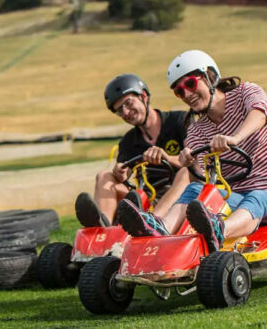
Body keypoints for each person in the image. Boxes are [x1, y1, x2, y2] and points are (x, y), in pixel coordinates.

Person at [117, 50, 267, 252]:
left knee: (258, 198)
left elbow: (259, 115)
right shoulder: (197, 129)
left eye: (190, 84)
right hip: (241, 196)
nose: (187, 95)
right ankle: (159, 229)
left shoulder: (246, 93)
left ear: (211, 76)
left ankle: (219, 230)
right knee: (194, 190)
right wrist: (189, 163)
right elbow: (200, 177)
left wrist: (235, 138)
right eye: (179, 92)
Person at [75, 73, 189, 227]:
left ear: (143, 96)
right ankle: (103, 229)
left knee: (186, 172)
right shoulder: (128, 141)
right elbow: (124, 175)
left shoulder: (179, 121)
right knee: (104, 176)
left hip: (184, 192)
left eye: (128, 103)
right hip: (150, 197)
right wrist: (120, 173)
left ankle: (151, 222)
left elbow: (197, 160)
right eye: (119, 110)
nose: (126, 112)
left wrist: (168, 157)